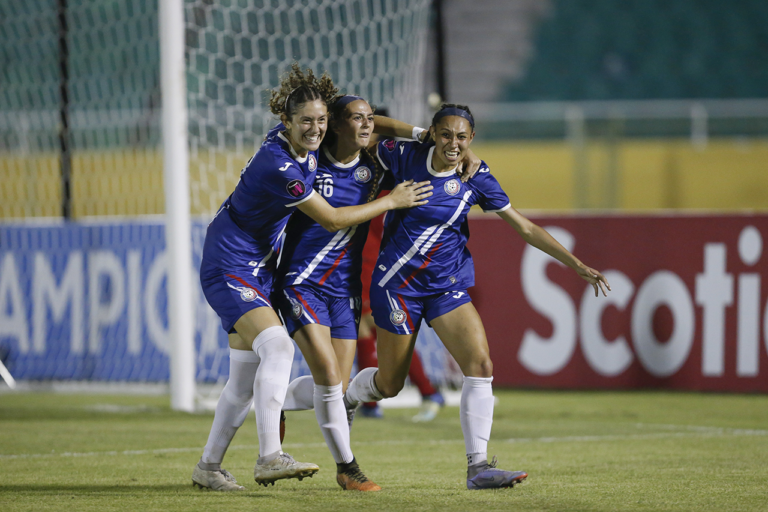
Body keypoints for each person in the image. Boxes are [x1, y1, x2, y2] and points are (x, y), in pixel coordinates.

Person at [342, 103, 611, 490]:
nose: (454, 144)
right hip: (397, 287)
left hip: (445, 286)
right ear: (434, 133)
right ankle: (351, 396)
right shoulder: (404, 156)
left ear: (472, 139)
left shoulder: (476, 176)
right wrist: (416, 132)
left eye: (462, 137)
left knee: (480, 364)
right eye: (446, 134)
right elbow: (368, 124)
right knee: (389, 385)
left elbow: (526, 228)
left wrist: (577, 264)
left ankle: (478, 467)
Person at [192, 65, 433, 492]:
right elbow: (332, 218)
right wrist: (391, 201)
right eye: (306, 121)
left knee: (245, 381)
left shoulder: (303, 144)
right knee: (279, 348)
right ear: (286, 122)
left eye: (321, 121)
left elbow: (372, 124)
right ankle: (270, 457)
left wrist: (422, 134)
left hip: (260, 266)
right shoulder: (279, 163)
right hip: (229, 262)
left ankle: (209, 466)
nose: (315, 129)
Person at [276, 95, 480, 491]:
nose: (368, 125)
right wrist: (391, 201)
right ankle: (347, 467)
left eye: (371, 119)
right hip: (301, 279)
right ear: (335, 125)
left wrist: (447, 144)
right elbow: (330, 219)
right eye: (357, 119)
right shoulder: (307, 159)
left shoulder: (375, 164)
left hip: (344, 286)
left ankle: (275, 400)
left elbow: (442, 141)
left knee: (334, 383)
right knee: (331, 377)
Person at [357, 215, 445, 422]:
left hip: (368, 260)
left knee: (374, 325)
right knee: (368, 326)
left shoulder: (376, 190)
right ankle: (425, 391)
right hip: (358, 258)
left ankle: (426, 391)